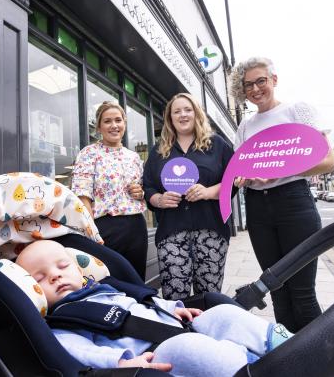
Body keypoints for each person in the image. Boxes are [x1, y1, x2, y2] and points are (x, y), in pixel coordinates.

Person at [16, 240, 293, 376]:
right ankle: (250, 369)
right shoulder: (62, 322)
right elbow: (79, 351)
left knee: (223, 314)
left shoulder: (106, 288)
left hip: (176, 325)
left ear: (79, 271)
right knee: (190, 348)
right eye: (40, 278)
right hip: (151, 356)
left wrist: (173, 307)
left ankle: (285, 345)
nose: (55, 275)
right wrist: (120, 362)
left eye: (63, 267)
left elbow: (143, 302)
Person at [230, 57, 334, 332]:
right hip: (257, 209)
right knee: (276, 288)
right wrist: (242, 178)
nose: (255, 89)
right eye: (248, 85)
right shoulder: (244, 127)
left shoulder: (297, 111)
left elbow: (328, 161)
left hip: (294, 203)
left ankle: (317, 359)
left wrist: (283, 171)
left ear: (274, 80)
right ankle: (287, 357)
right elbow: (240, 170)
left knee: (302, 292)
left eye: (261, 81)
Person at [143, 93, 233, 300]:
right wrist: (159, 200)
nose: (182, 115)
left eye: (187, 110)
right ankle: (182, 333)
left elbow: (234, 178)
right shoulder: (159, 150)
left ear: (196, 113)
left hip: (211, 232)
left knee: (209, 298)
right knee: (175, 301)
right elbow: (147, 186)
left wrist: (208, 192)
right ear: (170, 118)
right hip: (171, 234)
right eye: (177, 111)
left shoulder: (217, 144)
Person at [71, 101, 148, 280]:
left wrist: (141, 192)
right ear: (99, 127)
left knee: (137, 279)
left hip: (136, 226)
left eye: (118, 120)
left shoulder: (134, 157)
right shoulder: (89, 153)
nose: (114, 125)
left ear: (124, 124)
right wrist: (91, 233)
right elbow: (82, 194)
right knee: (109, 280)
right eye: (107, 121)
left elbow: (144, 189)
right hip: (105, 228)